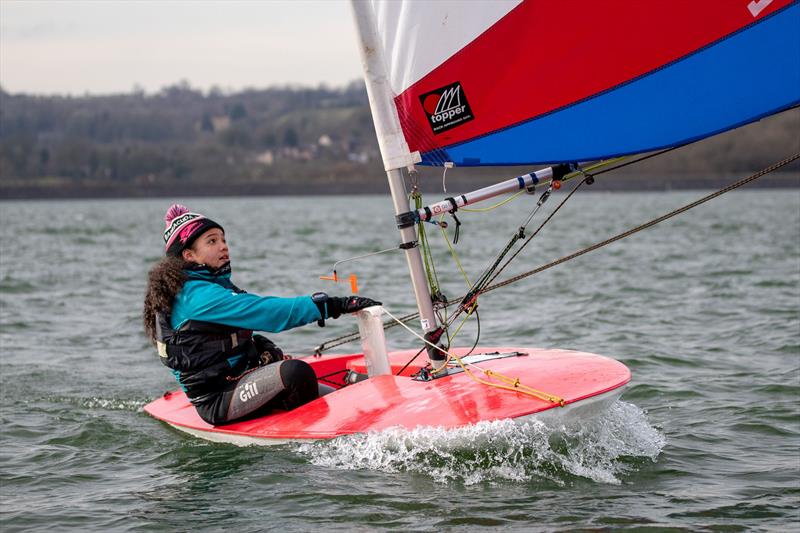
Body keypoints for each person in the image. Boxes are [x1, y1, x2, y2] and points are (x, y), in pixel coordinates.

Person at [143, 204, 379, 426]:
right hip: (216, 399)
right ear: (189, 255)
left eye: (223, 239)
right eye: (212, 241)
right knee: (295, 372)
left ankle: (337, 408)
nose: (223, 246)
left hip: (241, 378)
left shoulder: (211, 286)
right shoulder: (195, 297)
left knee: (330, 389)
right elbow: (268, 313)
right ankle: (314, 430)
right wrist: (333, 305)